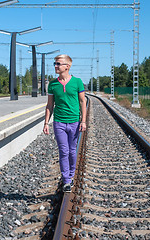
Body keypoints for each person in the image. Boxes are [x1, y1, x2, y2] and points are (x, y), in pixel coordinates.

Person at [43, 54, 86, 193]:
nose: (55, 66)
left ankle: (71, 175)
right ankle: (66, 180)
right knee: (63, 151)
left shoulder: (77, 82)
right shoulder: (53, 84)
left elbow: (82, 102)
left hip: (74, 121)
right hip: (59, 122)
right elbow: (50, 105)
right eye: (55, 64)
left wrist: (83, 121)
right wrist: (46, 123)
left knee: (72, 151)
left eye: (58, 64)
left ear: (67, 66)